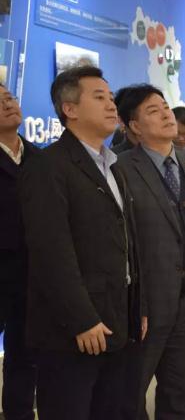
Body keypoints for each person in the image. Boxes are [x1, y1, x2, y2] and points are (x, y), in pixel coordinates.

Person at [19, 66, 143, 420]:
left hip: (117, 322)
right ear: (70, 109)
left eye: (111, 97)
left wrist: (138, 307)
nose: (111, 105)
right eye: (99, 97)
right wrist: (82, 320)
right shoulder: (48, 166)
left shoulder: (114, 166)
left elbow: (128, 244)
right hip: (72, 332)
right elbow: (52, 252)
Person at [114, 84, 185, 420]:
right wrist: (137, 303)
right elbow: (122, 243)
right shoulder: (120, 169)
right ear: (134, 126)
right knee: (130, 394)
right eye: (152, 110)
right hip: (146, 304)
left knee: (179, 392)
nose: (165, 114)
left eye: (164, 107)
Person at [0, 84, 38, 420]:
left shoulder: (40, 159)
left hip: (30, 276)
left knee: (24, 357)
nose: (7, 104)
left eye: (9, 97)